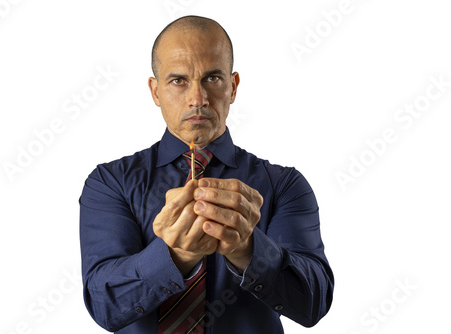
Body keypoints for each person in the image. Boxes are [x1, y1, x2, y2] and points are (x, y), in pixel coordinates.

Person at [79, 15, 334, 334]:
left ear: (233, 86)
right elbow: (104, 306)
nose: (197, 99)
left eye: (212, 79)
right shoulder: (109, 183)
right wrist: (173, 255)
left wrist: (248, 250)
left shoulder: (284, 185)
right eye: (178, 81)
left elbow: (313, 304)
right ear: (155, 92)